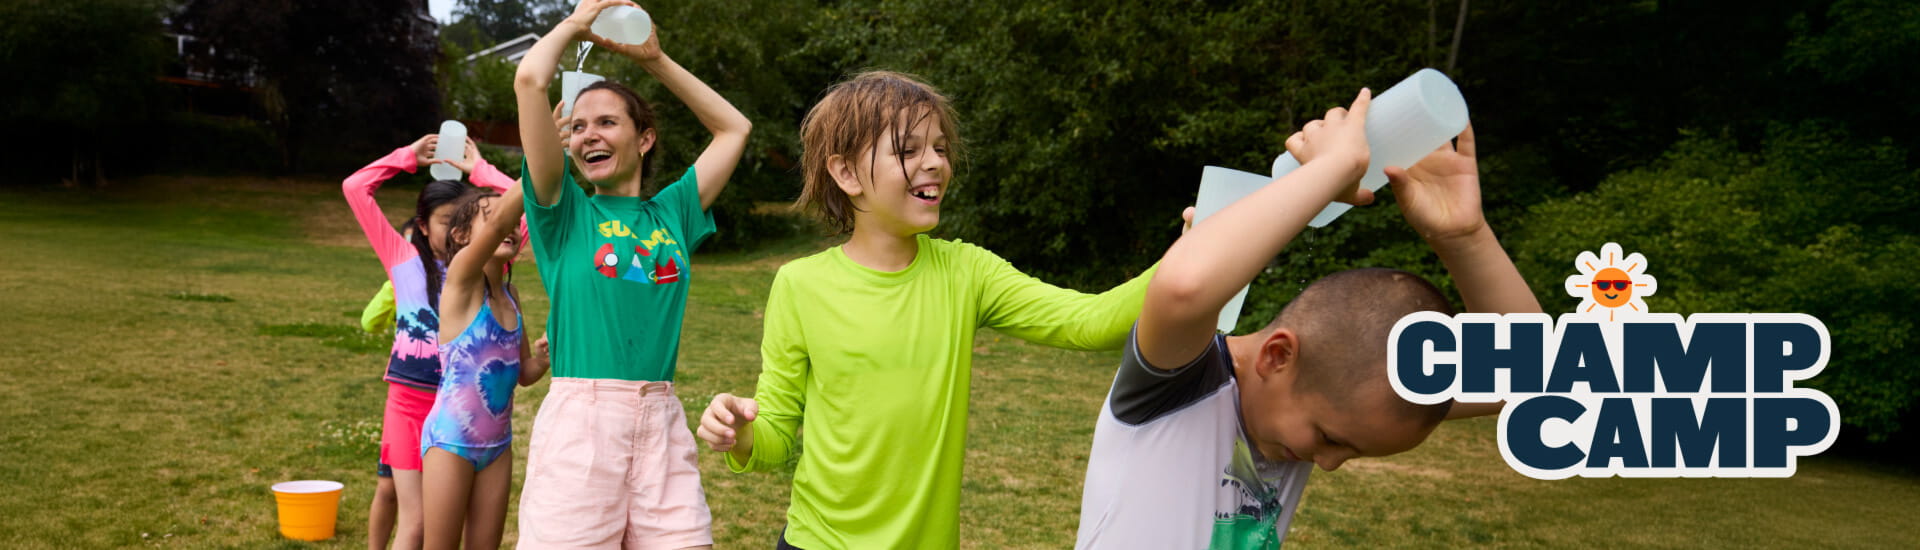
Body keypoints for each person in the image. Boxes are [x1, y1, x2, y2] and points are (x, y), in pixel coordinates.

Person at [696, 71, 1160, 549]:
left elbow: (1092, 323)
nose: (935, 163)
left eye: (940, 148)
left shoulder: (967, 273)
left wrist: (1193, 254)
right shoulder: (799, 285)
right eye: (908, 150)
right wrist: (743, 433)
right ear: (846, 173)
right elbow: (774, 435)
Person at [1072, 90, 1529, 549]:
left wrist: (1464, 237)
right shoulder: (1180, 384)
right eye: (1329, 438)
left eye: (1350, 452)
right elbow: (1183, 288)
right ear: (1278, 355)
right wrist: (1333, 169)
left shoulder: (1323, 404)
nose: (1328, 463)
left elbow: (1530, 376)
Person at [510, 1, 751, 548]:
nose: (587, 135)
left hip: (662, 420)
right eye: (577, 127)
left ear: (644, 138)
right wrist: (576, 22)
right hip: (581, 425)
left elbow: (734, 129)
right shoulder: (562, 211)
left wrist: (655, 59)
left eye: (606, 122)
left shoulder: (673, 212)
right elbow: (529, 79)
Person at [343, 134, 515, 550]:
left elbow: (519, 209)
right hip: (410, 404)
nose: (458, 229)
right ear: (422, 225)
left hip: (460, 410)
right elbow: (355, 188)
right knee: (416, 526)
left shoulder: (491, 264)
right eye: (445, 221)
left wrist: (480, 171)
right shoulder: (403, 260)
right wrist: (406, 158)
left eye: (467, 220)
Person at [419, 178, 547, 550]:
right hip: (451, 442)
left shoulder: (511, 295)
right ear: (460, 235)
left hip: (497, 446)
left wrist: (541, 360)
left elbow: (522, 373)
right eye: (494, 218)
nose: (507, 226)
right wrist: (539, 160)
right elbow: (494, 228)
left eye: (511, 221)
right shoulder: (461, 280)